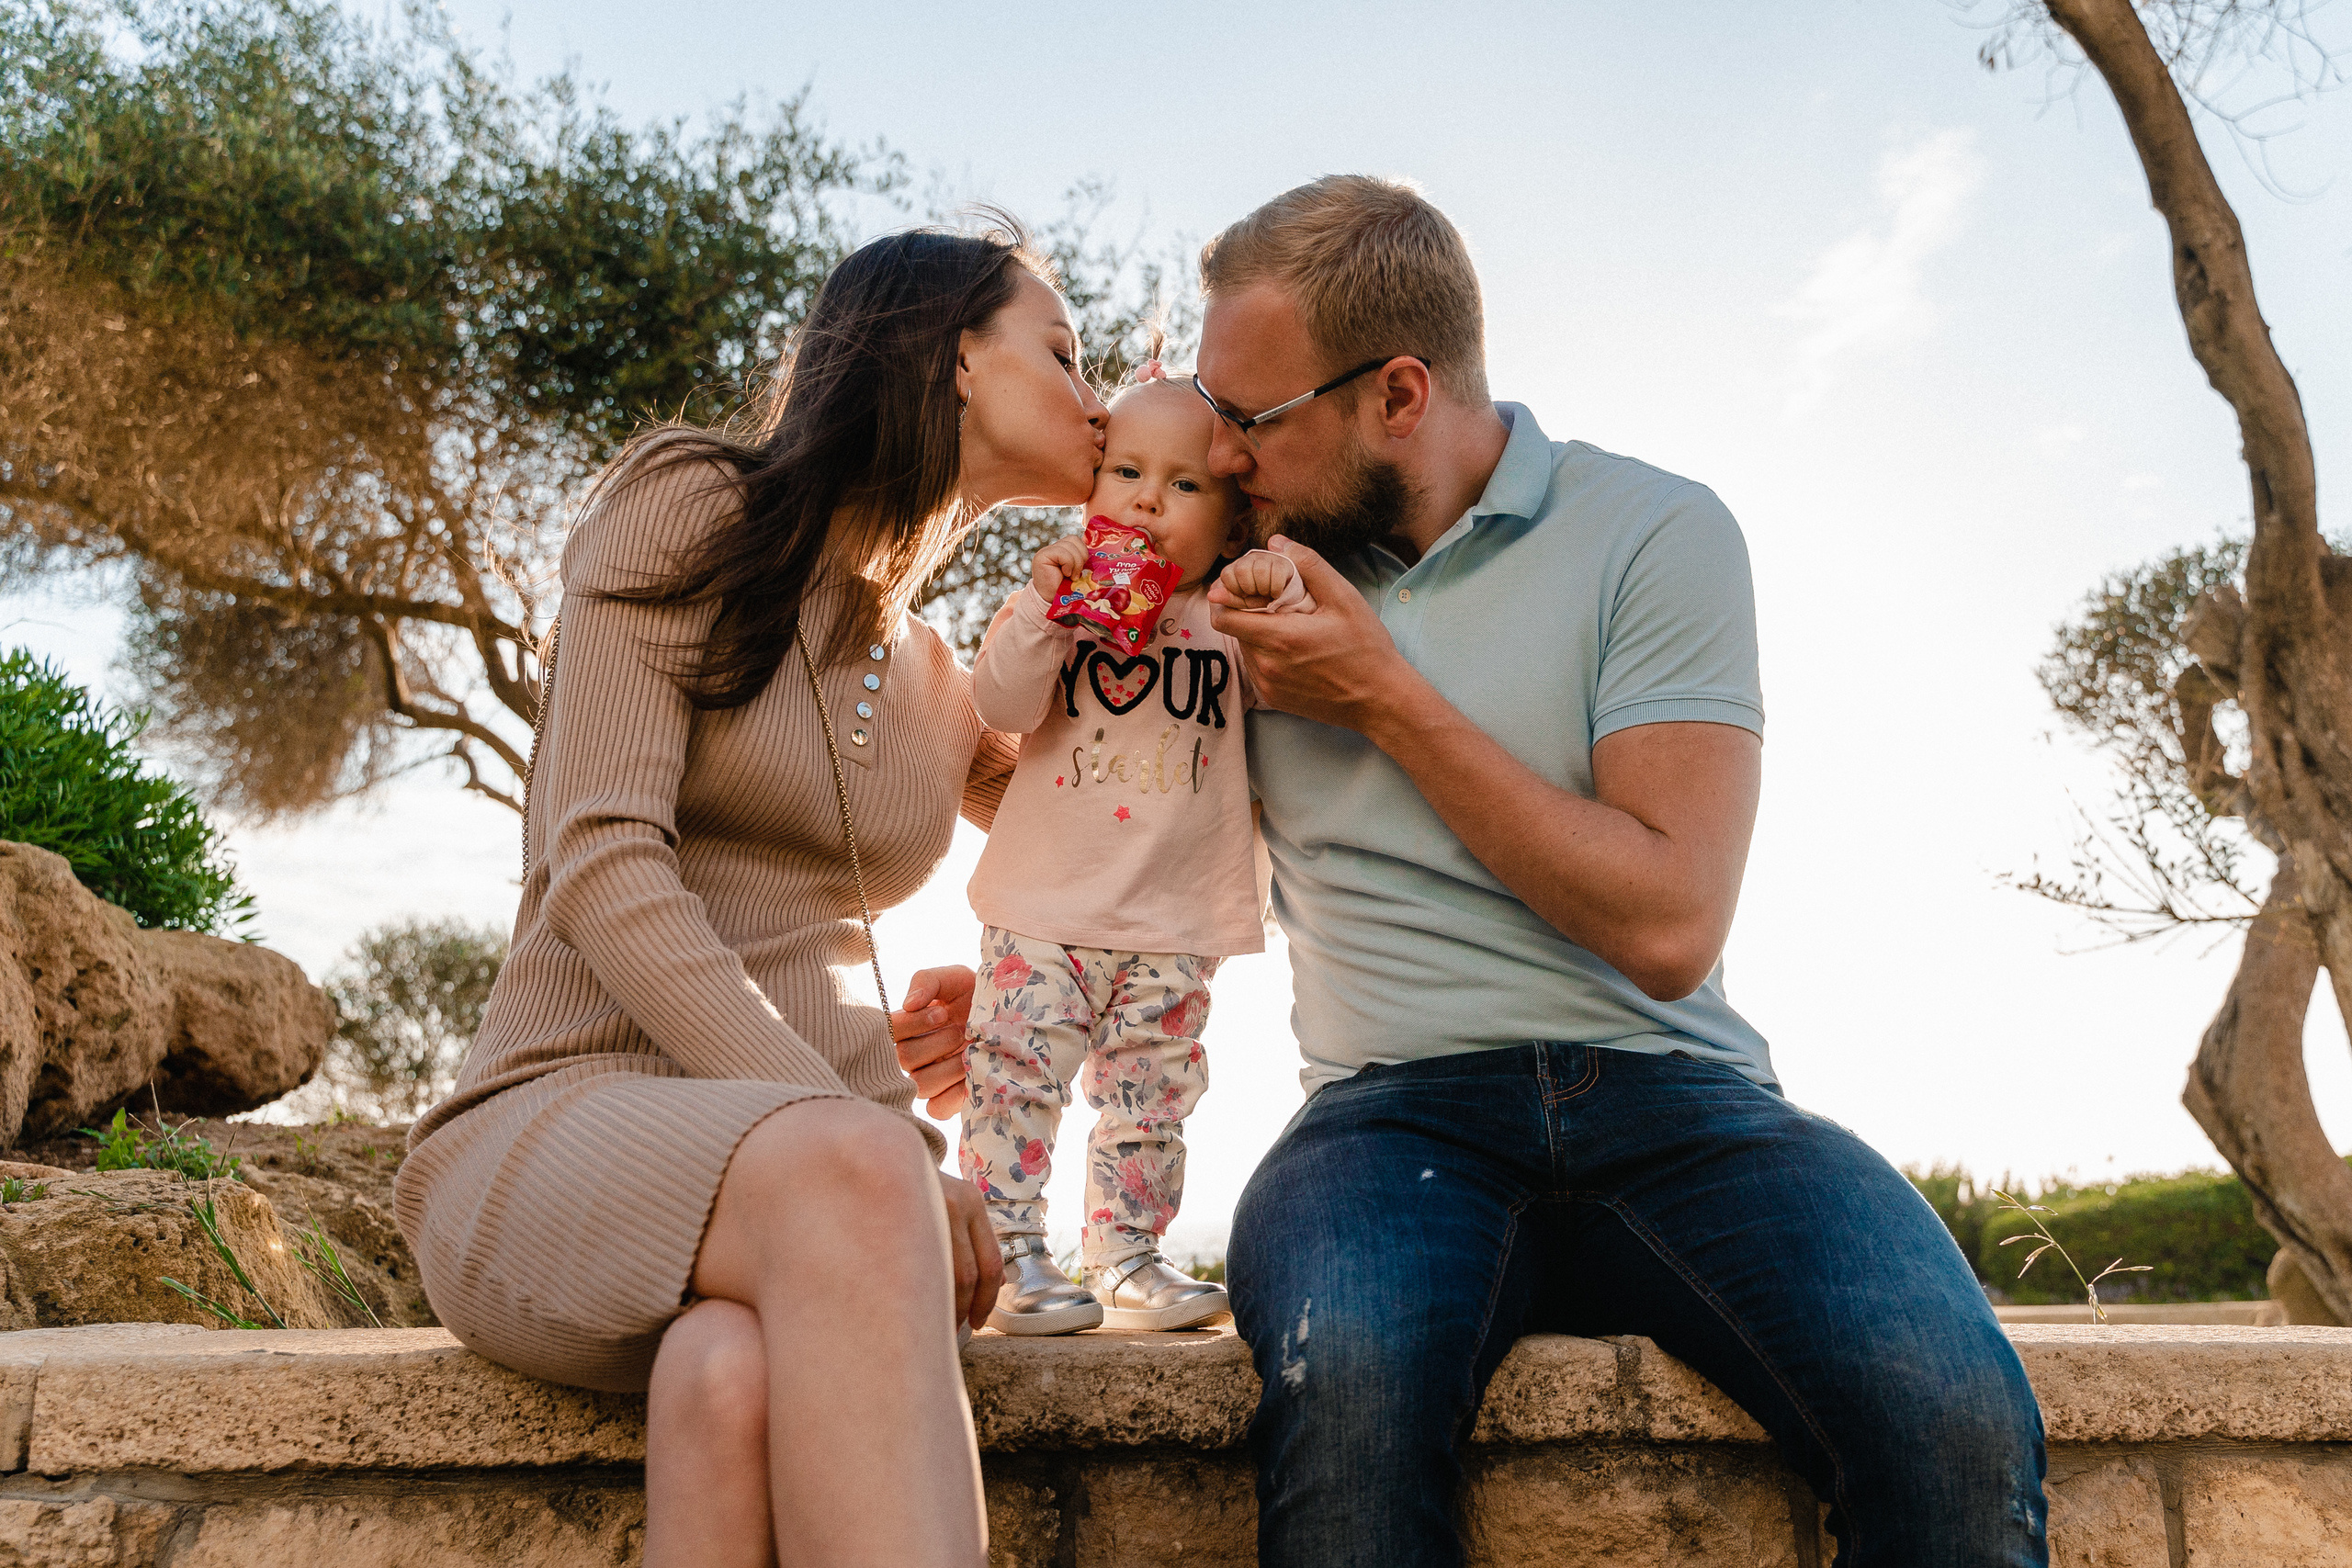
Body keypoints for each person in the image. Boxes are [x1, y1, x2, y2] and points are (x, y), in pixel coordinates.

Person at [1192, 177, 2050, 1566]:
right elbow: (1080, 773)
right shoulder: (1236, 568)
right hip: (1388, 1117)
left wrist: (1385, 698)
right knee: (1342, 1390)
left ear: (1398, 394)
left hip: (1682, 1094)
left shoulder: (1656, 531)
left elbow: (1669, 921)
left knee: (1947, 1409)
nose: (1222, 454)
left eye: (1252, 417)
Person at [394, 220, 1108, 1568]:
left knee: (725, 1373)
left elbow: (1132, 849)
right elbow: (600, 859)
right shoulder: (693, 505)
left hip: (806, 1212)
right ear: (957, 353)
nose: (1096, 395)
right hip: (560, 1119)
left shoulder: (947, 673)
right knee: (859, 1174)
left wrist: (1005, 1001)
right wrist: (859, 1126)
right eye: (1063, 354)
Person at [955, 371, 1276, 1336]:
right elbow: (1001, 708)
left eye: (1184, 485)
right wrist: (1042, 613)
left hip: (1177, 918)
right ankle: (1011, 1254)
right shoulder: (1057, 603)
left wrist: (1272, 597)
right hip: (1044, 905)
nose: (1146, 497)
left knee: (1152, 1096)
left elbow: (1297, 712)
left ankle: (1126, 1255)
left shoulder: (1233, 621)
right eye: (1126, 472)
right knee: (1013, 1076)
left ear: (1230, 521)